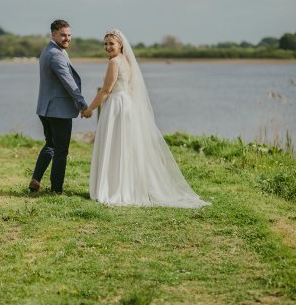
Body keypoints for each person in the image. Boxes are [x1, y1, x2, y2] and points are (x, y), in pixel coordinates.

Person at [82, 29, 211, 207]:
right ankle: (127, 187)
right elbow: (132, 88)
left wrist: (89, 110)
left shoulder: (114, 62)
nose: (107, 47)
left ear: (120, 45)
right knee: (124, 147)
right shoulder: (128, 62)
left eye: (111, 43)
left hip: (116, 107)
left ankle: (114, 189)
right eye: (105, 44)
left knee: (115, 145)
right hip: (128, 105)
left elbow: (105, 90)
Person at [29, 19, 89, 194]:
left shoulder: (50, 50)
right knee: (61, 150)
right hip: (58, 111)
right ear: (53, 34)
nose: (67, 38)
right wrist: (83, 104)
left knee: (50, 145)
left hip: (45, 109)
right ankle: (56, 190)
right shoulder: (55, 55)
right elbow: (69, 83)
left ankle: (35, 180)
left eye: (69, 35)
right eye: (63, 35)